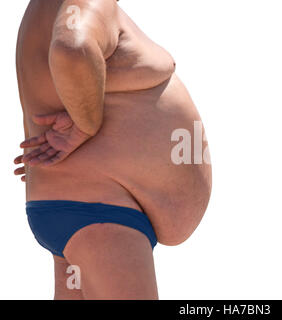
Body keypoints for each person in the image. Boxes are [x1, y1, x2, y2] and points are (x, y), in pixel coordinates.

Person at [13, 0, 212, 300]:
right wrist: (85, 125)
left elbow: (54, 82)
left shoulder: (48, 8)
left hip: (86, 211)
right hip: (101, 214)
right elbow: (73, 50)